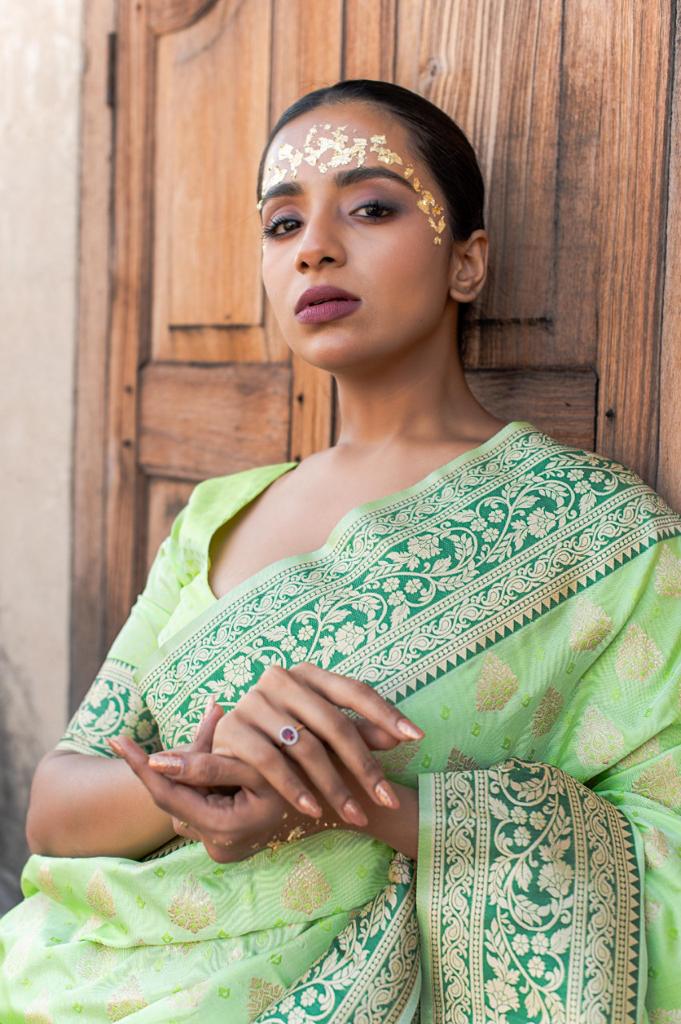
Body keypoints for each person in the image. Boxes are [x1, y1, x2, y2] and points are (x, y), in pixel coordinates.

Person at [1, 78, 679, 1024]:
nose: (313, 246)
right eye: (282, 224)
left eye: (370, 208)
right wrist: (213, 771)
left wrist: (356, 801)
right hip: (69, 978)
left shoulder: (596, 534)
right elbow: (56, 807)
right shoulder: (216, 517)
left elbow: (663, 857)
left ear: (467, 262)